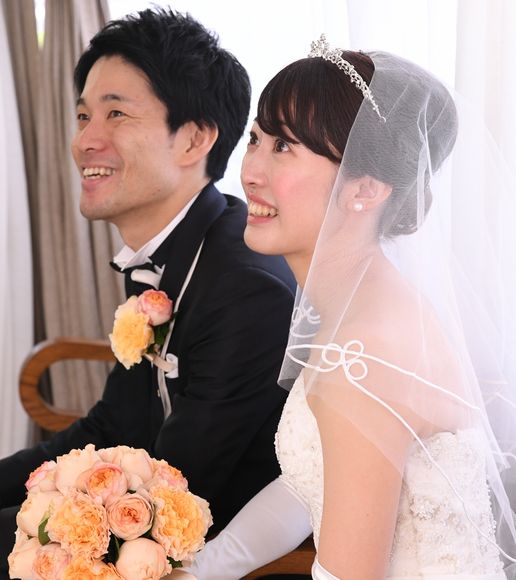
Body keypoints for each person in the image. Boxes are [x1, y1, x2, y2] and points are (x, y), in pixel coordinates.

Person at [0, 8, 296, 578]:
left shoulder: (246, 288)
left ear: (195, 138)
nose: (85, 141)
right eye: (83, 115)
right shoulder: (163, 256)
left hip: (203, 544)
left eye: (116, 114)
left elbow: (177, 484)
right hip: (140, 514)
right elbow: (112, 424)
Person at [180, 35, 516, 579]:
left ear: (366, 189)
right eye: (256, 138)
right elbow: (309, 483)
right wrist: (200, 568)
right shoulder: (367, 309)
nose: (251, 171)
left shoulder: (362, 357)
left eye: (284, 147)